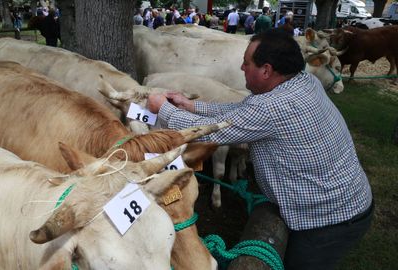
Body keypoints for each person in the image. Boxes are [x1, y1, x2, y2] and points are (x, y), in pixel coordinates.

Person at [147, 29, 373, 270]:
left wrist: (163, 109)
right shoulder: (303, 82)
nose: (242, 68)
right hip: (346, 203)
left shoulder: (271, 107)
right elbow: (240, 113)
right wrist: (190, 105)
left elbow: (206, 132)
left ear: (266, 70)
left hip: (328, 219)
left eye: (246, 63)